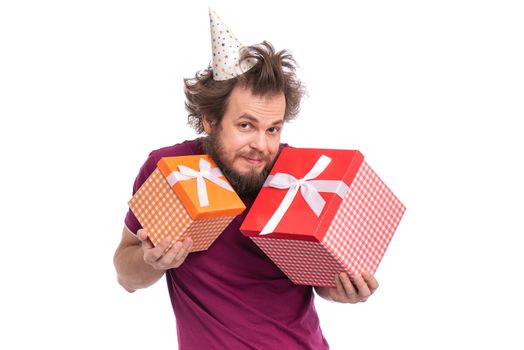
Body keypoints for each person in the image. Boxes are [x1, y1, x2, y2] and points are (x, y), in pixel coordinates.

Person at [113, 11, 379, 349]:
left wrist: (342, 288)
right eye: (246, 126)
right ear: (210, 120)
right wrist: (151, 262)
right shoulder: (171, 169)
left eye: (273, 129)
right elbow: (125, 272)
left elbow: (317, 279)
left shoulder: (299, 178)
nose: (262, 145)